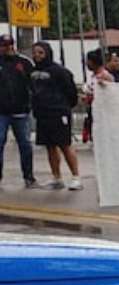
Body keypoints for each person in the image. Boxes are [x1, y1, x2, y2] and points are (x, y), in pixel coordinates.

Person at [30, 42, 82, 191]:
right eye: (35, 52)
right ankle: (57, 177)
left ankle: (76, 177)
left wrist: (64, 107)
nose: (37, 56)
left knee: (65, 144)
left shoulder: (60, 71)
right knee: (50, 147)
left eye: (40, 52)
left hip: (59, 113)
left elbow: (71, 92)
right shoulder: (33, 72)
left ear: (47, 53)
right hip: (42, 114)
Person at [0, 34, 36, 188]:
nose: (7, 48)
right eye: (4, 45)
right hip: (1, 112)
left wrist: (30, 103)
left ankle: (29, 176)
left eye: (9, 45)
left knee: (25, 144)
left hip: (21, 111)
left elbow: (34, 84)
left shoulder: (24, 62)